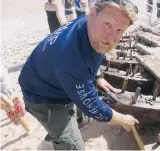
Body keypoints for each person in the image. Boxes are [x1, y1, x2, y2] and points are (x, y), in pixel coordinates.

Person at [18, 0, 139, 150]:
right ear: (93, 13)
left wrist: (98, 76)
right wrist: (123, 119)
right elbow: (93, 107)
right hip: (42, 94)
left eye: (120, 30)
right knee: (73, 146)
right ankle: (55, 139)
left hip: (53, 75)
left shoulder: (89, 26)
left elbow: (96, 51)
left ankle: (57, 133)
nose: (111, 36)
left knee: (80, 117)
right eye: (108, 24)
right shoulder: (71, 57)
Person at [0, 63, 31, 135]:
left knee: (16, 114)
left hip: (7, 95)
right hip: (6, 94)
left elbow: (9, 105)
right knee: (16, 111)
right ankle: (28, 128)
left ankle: (27, 128)